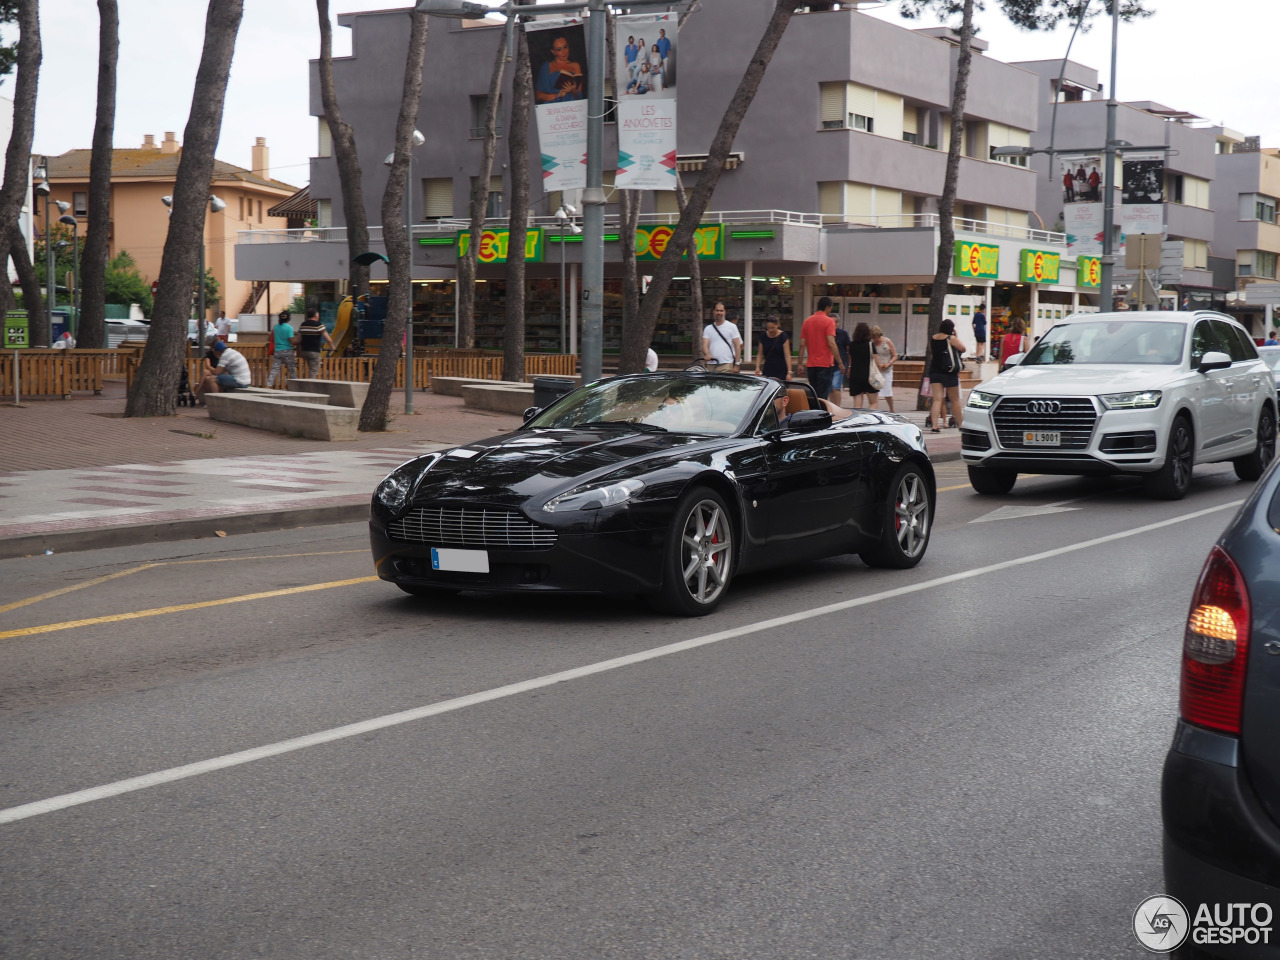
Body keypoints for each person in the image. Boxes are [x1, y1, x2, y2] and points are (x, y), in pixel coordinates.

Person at [798, 296, 844, 399]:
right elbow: (831, 343)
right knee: (822, 396)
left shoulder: (807, 321)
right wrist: (840, 362)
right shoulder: (829, 321)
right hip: (825, 364)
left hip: (811, 364)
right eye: (830, 308)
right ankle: (821, 414)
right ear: (827, 307)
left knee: (813, 394)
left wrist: (800, 363)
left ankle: (813, 413)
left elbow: (802, 344)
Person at [929, 318, 966, 433]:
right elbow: (963, 348)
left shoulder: (933, 338)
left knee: (937, 400)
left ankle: (934, 425)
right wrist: (955, 336)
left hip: (935, 371)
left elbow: (933, 353)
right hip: (949, 372)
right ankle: (961, 424)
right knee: (954, 400)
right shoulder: (951, 338)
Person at [535, 36, 583, 103]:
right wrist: (557, 95)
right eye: (559, 49)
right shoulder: (546, 66)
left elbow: (579, 96)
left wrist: (573, 90)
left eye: (565, 47)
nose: (564, 52)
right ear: (553, 52)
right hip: (553, 108)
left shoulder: (576, 66)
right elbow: (538, 96)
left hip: (571, 107)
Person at [844, 322, 879, 410]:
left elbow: (850, 360)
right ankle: (870, 421)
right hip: (869, 376)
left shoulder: (851, 345)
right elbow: (877, 362)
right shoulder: (870, 345)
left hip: (855, 375)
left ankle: (858, 420)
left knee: (857, 405)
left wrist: (849, 370)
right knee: (873, 403)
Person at [701, 301, 742, 370]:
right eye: (717, 310)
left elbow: (737, 346)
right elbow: (705, 344)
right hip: (711, 364)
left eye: (721, 311)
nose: (719, 313)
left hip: (727, 364)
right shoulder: (708, 329)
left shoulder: (732, 327)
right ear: (713, 312)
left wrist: (737, 364)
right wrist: (707, 354)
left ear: (725, 312)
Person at [296, 307, 334, 379]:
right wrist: (332, 347)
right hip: (314, 351)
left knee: (306, 368)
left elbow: (299, 339)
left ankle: (303, 383)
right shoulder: (319, 325)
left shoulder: (303, 325)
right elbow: (328, 339)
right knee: (313, 370)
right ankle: (311, 386)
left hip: (304, 351)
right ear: (316, 315)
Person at [266, 309, 298, 388]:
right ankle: (296, 385)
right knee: (291, 369)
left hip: (277, 351)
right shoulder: (289, 328)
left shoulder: (275, 327)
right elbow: (292, 341)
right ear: (288, 318)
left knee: (275, 369)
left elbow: (270, 338)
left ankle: (268, 384)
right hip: (287, 350)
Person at [871, 324, 898, 413]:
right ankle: (875, 408)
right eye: (874, 338)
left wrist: (889, 363)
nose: (875, 340)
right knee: (875, 391)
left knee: (887, 390)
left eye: (877, 337)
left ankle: (892, 408)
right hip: (875, 370)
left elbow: (895, 355)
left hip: (886, 369)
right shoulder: (871, 343)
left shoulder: (887, 341)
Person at [754, 315, 791, 379]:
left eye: (773, 328)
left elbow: (787, 355)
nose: (770, 330)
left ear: (777, 325)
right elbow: (760, 354)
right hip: (768, 367)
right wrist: (757, 367)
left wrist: (789, 372)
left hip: (781, 368)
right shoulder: (763, 336)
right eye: (768, 328)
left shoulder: (783, 336)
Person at [829, 324, 852, 406]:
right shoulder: (827, 332)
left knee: (835, 386)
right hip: (828, 363)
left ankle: (837, 407)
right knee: (830, 388)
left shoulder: (843, 333)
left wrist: (849, 365)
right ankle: (832, 407)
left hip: (840, 364)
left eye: (835, 322)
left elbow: (849, 349)